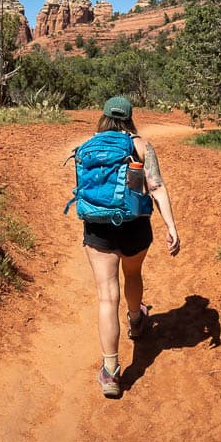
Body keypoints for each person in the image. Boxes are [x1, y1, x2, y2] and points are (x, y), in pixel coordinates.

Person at [82, 96, 181, 398]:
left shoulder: (91, 144)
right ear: (129, 117)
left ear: (104, 117)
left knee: (106, 297)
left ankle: (111, 372)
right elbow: (156, 186)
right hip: (135, 225)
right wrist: (171, 226)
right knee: (133, 274)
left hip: (98, 225)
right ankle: (136, 321)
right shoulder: (141, 145)